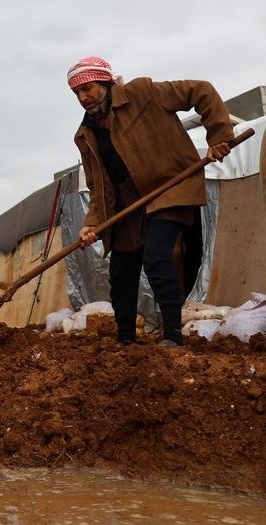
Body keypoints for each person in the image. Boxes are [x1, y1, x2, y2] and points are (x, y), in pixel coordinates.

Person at [69, 57, 233, 347]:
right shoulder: (86, 135)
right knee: (122, 271)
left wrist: (219, 136)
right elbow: (98, 186)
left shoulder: (143, 93)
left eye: (88, 89)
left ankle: (172, 336)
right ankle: (126, 341)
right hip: (128, 203)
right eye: (77, 93)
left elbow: (202, 91)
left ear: (105, 83)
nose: (83, 98)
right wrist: (92, 222)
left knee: (157, 255)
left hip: (168, 188)